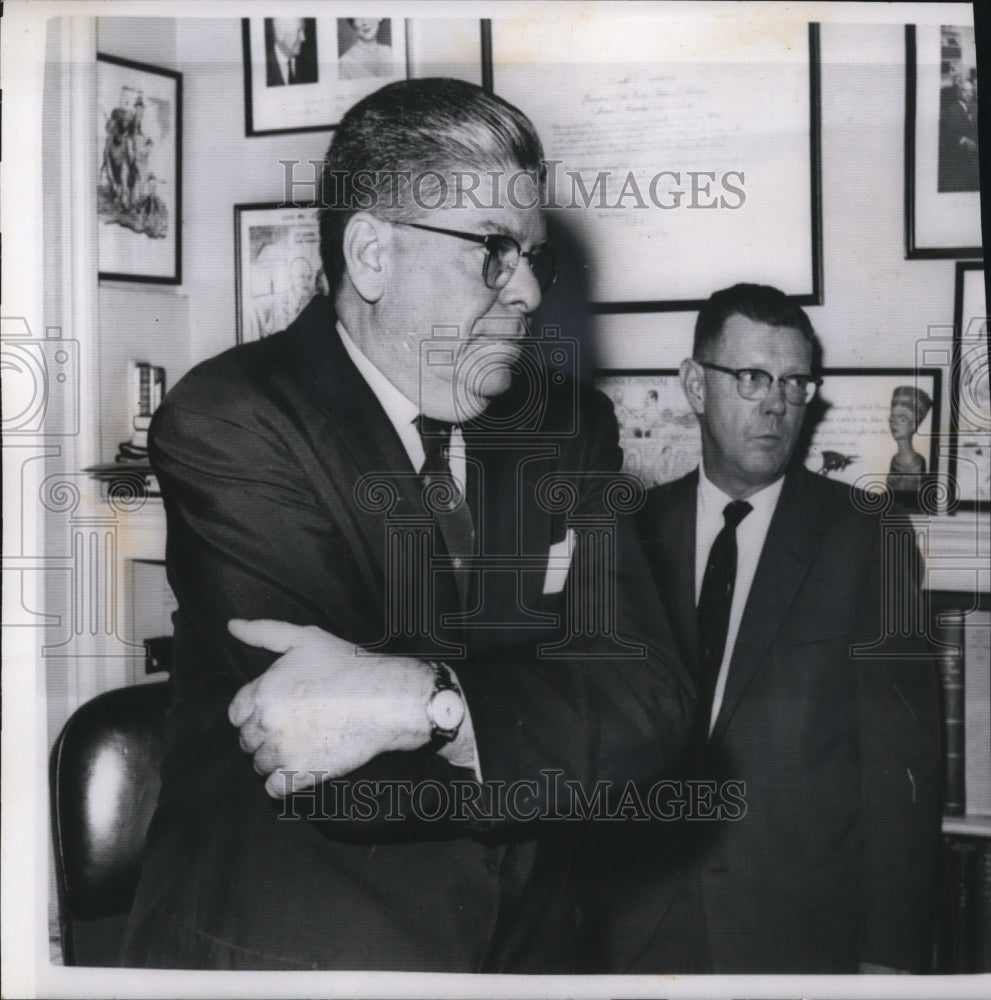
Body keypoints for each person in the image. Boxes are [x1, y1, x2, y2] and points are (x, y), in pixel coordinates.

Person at [120, 78, 693, 972]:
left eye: (537, 258)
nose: (530, 293)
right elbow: (336, 773)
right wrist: (487, 711)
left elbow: (653, 710)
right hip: (304, 952)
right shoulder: (230, 419)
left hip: (531, 955)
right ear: (373, 254)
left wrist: (414, 701)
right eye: (493, 252)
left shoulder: (568, 426)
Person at [584, 283, 939, 974]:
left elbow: (902, 765)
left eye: (795, 382)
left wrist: (889, 960)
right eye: (750, 377)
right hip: (627, 929)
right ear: (693, 384)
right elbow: (576, 736)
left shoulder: (867, 537)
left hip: (791, 934)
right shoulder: (620, 532)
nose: (776, 402)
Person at [887, 384, 932, 493]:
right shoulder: (894, 460)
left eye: (902, 419)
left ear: (913, 425)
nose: (894, 424)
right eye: (892, 419)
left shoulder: (919, 462)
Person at [265, 17, 318, 87]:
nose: (303, 38)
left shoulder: (311, 65)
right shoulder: (263, 71)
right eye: (298, 31)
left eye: (303, 30)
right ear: (279, 33)